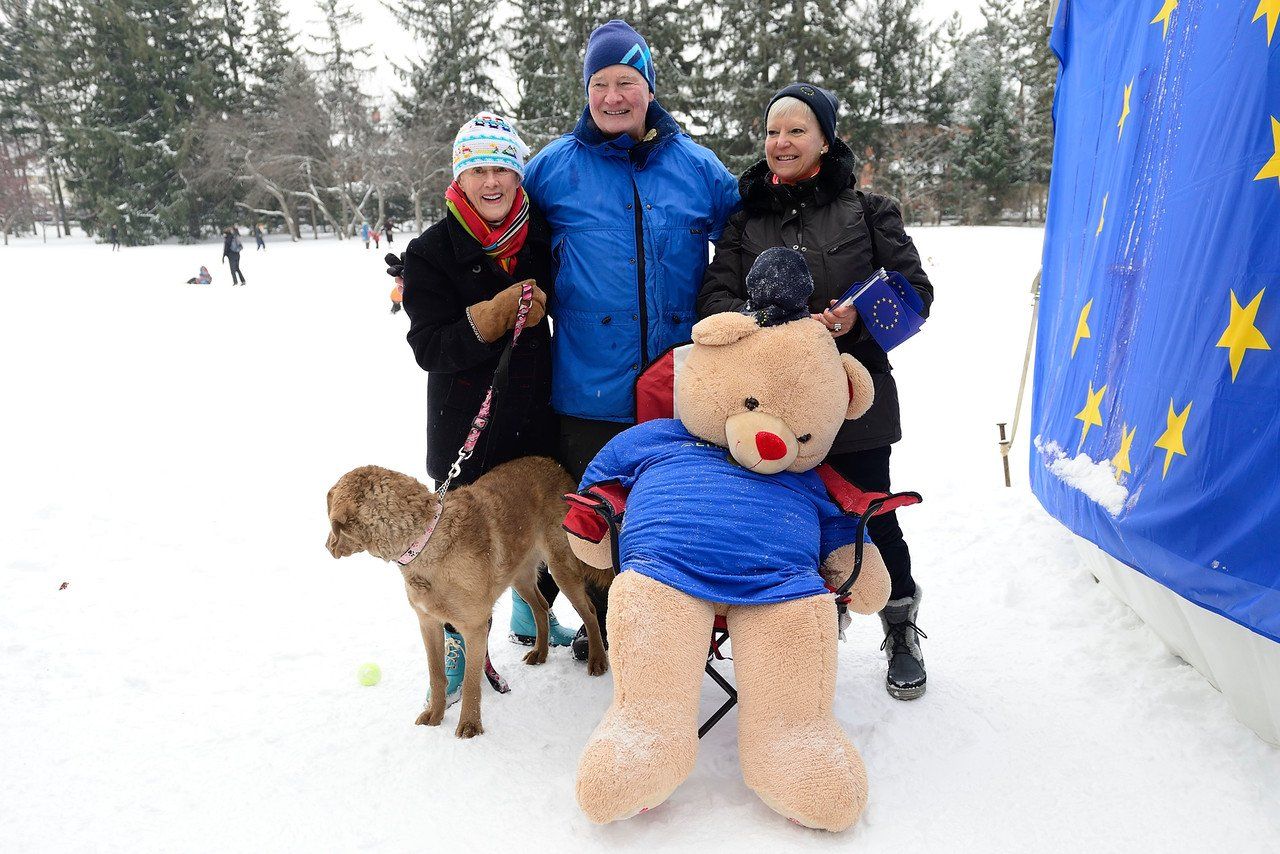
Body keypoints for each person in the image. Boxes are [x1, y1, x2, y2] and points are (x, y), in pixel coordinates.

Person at [697, 82, 934, 700]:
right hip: (774, 410)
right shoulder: (746, 219)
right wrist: (767, 320)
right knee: (789, 524)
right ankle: (804, 635)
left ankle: (900, 624)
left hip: (856, 403)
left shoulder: (869, 210)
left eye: (797, 131)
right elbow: (715, 298)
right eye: (773, 131)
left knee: (870, 516)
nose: (781, 143)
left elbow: (915, 297)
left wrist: (856, 320)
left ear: (825, 140)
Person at [521, 19, 740, 660]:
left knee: (668, 520)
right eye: (600, 83)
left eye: (626, 81)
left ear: (648, 87)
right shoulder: (554, 169)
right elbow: (501, 231)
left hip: (679, 390)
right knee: (592, 525)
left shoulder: (695, 166)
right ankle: (607, 634)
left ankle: (664, 637)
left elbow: (749, 235)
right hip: (589, 390)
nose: (613, 96)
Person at [398, 112, 580, 705]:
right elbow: (428, 347)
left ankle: (533, 613)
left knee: (535, 525)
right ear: (460, 176)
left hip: (534, 414)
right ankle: (457, 651)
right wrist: (489, 320)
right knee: (455, 547)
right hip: (465, 428)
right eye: (478, 169)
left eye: (503, 167)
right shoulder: (429, 252)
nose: (492, 181)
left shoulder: (540, 236)